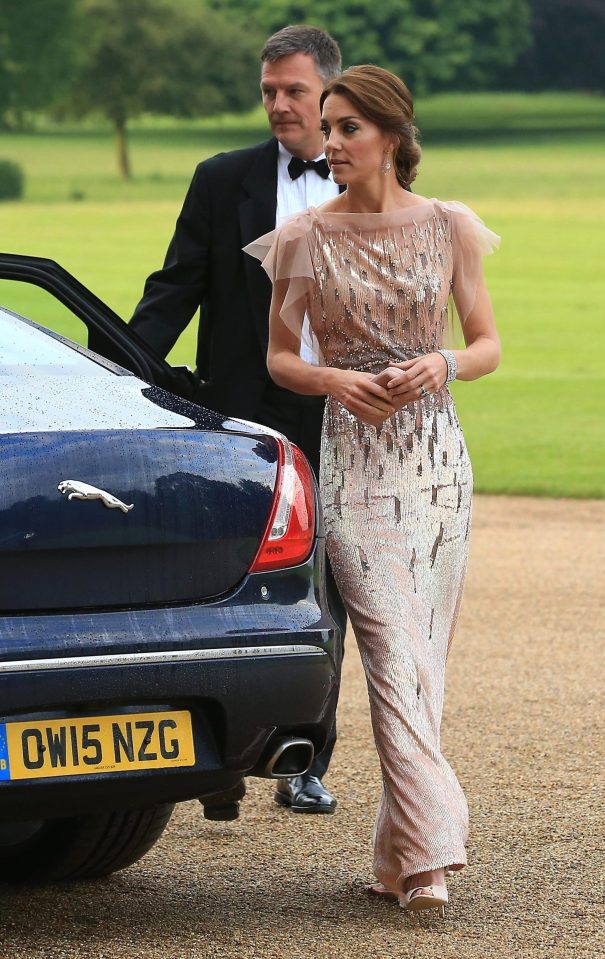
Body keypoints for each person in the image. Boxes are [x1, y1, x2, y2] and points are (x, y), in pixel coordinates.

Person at [245, 64, 500, 914]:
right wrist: (333, 384)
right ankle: (433, 848)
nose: (331, 142)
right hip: (353, 462)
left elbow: (486, 343)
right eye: (328, 127)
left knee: (423, 662)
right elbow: (280, 357)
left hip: (436, 466)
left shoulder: (450, 226)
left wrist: (443, 362)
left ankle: (396, 858)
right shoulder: (302, 238)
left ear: (391, 135)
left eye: (347, 127)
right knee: (391, 648)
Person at [129, 25, 346, 815]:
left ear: (331, 93)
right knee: (223, 579)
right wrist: (110, 373)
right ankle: (218, 763)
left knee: (327, 586)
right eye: (268, 91)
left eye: (293, 91)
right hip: (243, 415)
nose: (277, 105)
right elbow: (173, 290)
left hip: (342, 415)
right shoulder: (221, 179)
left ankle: (305, 757)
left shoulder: (370, 178)